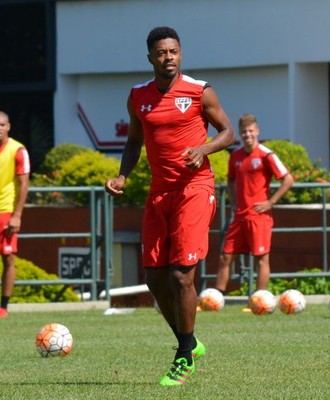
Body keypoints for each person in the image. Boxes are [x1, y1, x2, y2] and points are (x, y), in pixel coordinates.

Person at [105, 26, 235, 386]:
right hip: (159, 192)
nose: (169, 58)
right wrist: (122, 176)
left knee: (181, 275)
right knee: (154, 279)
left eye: (174, 51)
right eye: (161, 52)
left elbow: (228, 132)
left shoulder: (199, 90)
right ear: (150, 57)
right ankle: (189, 343)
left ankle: (182, 356)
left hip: (195, 188)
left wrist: (203, 149)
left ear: (181, 54)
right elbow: (134, 142)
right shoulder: (138, 96)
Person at [215, 113, 294, 306]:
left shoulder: (266, 155)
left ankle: (260, 300)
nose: (247, 134)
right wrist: (234, 202)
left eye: (251, 131)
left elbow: (288, 179)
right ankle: (215, 299)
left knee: (261, 259)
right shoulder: (235, 155)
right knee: (225, 256)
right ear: (240, 133)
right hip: (240, 215)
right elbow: (231, 180)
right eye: (244, 131)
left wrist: (270, 202)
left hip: (259, 216)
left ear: (257, 131)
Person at [0, 111, 30, 317]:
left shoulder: (18, 150)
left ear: (8, 126)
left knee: (8, 258)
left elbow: (24, 184)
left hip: (6, 211)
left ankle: (3, 306)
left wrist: (17, 215)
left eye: (1, 125)